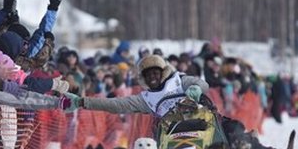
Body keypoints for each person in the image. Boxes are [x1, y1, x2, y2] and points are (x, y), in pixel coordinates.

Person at [66, 54, 208, 119]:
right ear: (143, 78)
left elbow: (202, 83)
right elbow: (116, 104)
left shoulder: (178, 80)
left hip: (198, 122)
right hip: (170, 134)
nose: (152, 77)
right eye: (148, 74)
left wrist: (196, 89)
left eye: (155, 73)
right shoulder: (146, 99)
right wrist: (82, 101)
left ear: (163, 72)